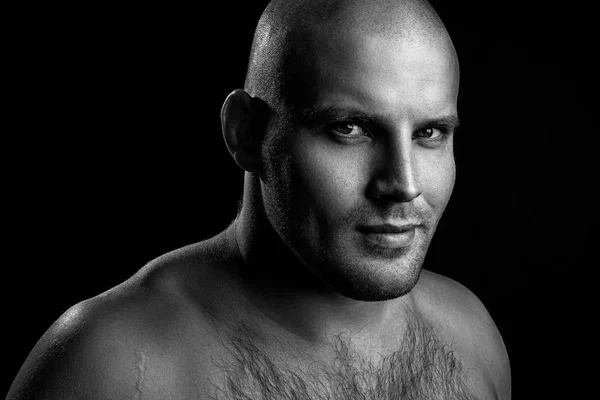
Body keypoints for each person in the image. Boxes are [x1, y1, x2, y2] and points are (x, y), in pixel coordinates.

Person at [7, 0, 511, 399]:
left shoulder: (471, 339)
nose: (403, 184)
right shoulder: (113, 367)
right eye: (349, 128)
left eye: (429, 132)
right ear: (246, 134)